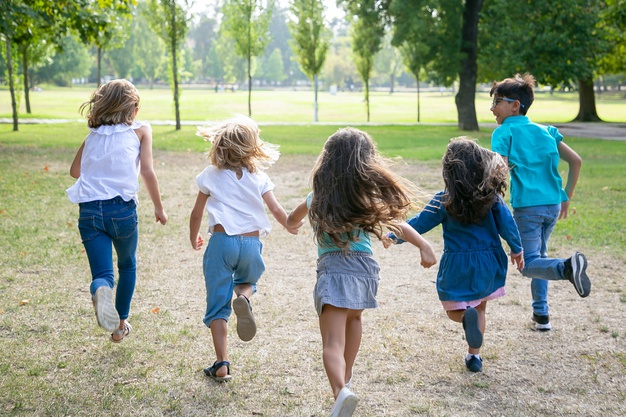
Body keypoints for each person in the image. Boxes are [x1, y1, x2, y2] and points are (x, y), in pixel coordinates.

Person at [286, 127, 437, 417]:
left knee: (331, 342)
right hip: (365, 268)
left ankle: (340, 391)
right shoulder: (365, 196)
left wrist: (293, 224)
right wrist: (423, 244)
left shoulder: (315, 197)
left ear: (326, 162)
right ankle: (348, 376)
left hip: (334, 268)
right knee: (354, 318)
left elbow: (293, 219)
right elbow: (397, 224)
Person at [385, 138, 524, 373]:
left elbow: (420, 223)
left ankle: (463, 318)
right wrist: (517, 248)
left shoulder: (444, 198)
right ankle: (474, 356)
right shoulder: (491, 196)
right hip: (489, 261)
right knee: (480, 307)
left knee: (453, 309)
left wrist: (394, 235)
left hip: (458, 263)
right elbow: (508, 224)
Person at [189, 116, 301, 382]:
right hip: (251, 244)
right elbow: (275, 209)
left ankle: (222, 364)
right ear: (252, 148)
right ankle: (245, 298)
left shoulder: (210, 175)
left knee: (217, 305)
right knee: (247, 282)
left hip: (221, 242)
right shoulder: (258, 176)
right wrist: (288, 224)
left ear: (219, 146)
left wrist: (193, 237)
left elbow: (196, 213)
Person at [67, 79, 168, 343]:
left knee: (102, 275)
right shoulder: (141, 130)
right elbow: (147, 171)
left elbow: (74, 172)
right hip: (122, 211)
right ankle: (120, 325)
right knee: (128, 265)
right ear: (133, 109)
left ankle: (101, 290)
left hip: (89, 213)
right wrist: (159, 207)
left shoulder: (92, 135)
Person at [490, 73, 590, 331]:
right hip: (553, 205)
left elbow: (499, 172)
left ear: (515, 105)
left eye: (497, 101)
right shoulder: (547, 131)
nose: (492, 108)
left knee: (528, 265)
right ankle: (541, 315)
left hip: (528, 208)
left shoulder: (503, 132)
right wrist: (566, 195)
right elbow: (576, 161)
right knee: (539, 258)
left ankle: (567, 268)